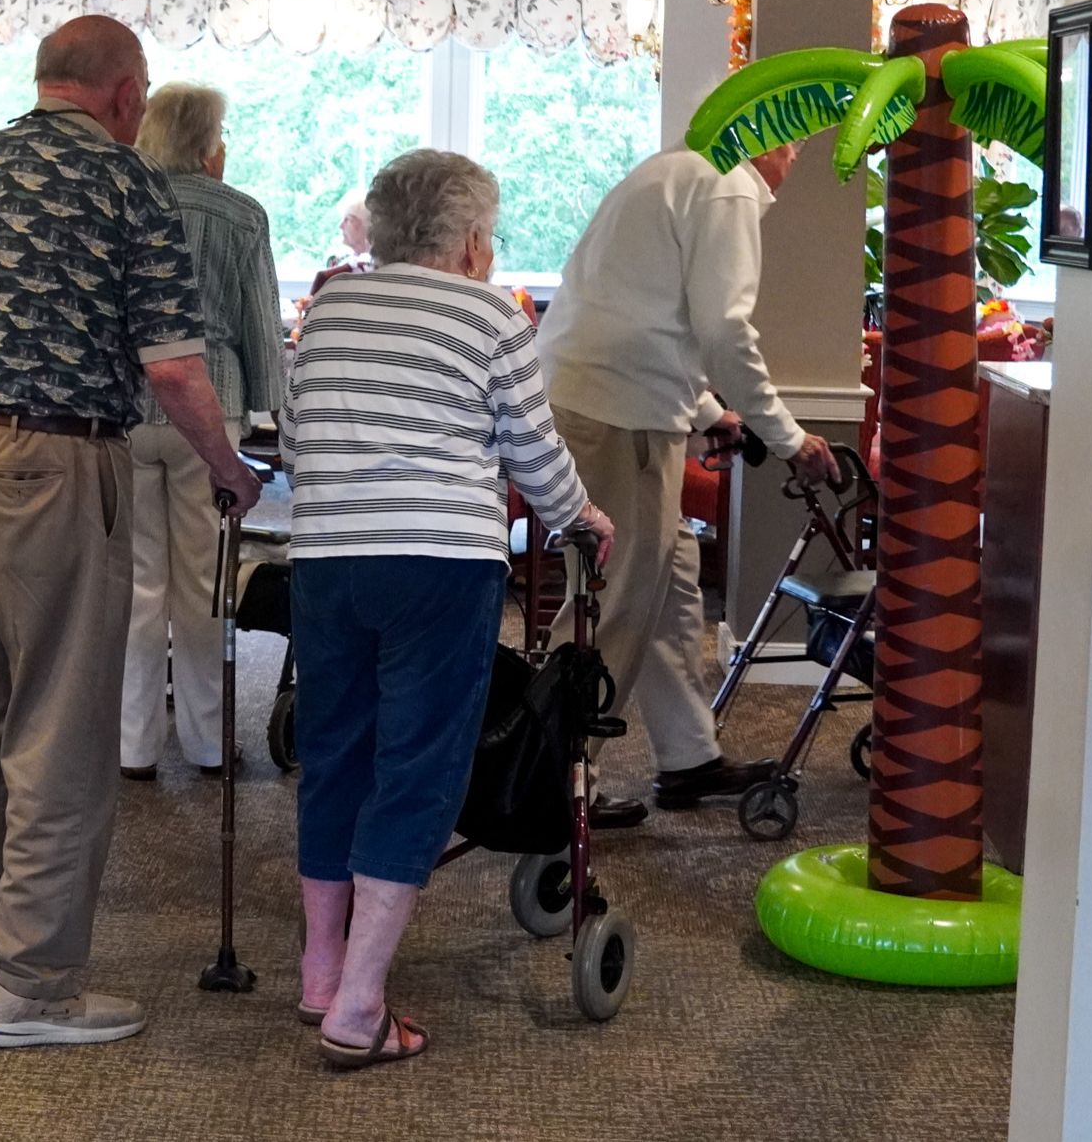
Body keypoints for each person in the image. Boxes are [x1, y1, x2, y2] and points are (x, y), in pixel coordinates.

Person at [0, 16, 262, 1048]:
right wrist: (231, 472)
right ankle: (32, 988)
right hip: (49, 461)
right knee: (61, 724)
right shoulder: (126, 181)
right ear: (126, 94)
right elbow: (175, 368)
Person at [285, 149, 613, 1071]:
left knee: (335, 751)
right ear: (470, 238)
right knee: (419, 767)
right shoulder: (488, 312)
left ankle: (320, 971)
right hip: (438, 563)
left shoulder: (332, 304)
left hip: (327, 556)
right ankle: (358, 1005)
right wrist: (581, 517)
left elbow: (300, 421)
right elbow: (532, 450)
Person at [536, 143, 841, 821]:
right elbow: (725, 330)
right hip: (618, 412)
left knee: (671, 579)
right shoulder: (729, 186)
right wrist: (790, 438)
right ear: (772, 142)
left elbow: (649, 314)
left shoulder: (678, 170)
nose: (795, 156)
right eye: (792, 142)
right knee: (614, 597)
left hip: (606, 393)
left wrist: (707, 413)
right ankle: (557, 778)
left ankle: (687, 756)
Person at [120, 82, 285, 780]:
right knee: (202, 582)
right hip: (209, 410)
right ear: (209, 146)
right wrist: (271, 415)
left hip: (125, 404)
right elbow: (259, 328)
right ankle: (205, 741)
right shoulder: (241, 214)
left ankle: (130, 746)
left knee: (135, 583)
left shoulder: (121, 203)